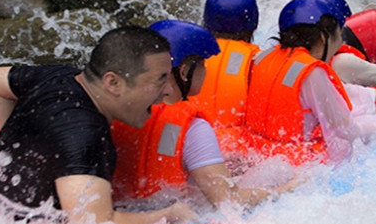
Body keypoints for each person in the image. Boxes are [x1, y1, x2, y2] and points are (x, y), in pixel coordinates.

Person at [0, 26, 197, 224]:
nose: (167, 90)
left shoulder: (57, 76)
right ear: (113, 83)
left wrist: (18, 137)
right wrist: (169, 214)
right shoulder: (84, 134)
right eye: (159, 80)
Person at [110, 20, 284, 209]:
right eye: (203, 65)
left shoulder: (114, 108)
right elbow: (228, 201)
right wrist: (285, 188)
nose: (206, 71)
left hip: (123, 216)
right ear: (185, 71)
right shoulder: (194, 129)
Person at [242, 0, 376, 164]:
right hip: (301, 165)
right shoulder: (312, 72)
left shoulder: (262, 57)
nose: (341, 41)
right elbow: (347, 131)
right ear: (322, 38)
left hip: (257, 154)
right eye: (339, 34)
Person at [189, 0, 261, 135]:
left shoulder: (188, 54)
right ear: (253, 24)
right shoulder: (257, 60)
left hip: (190, 139)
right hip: (236, 147)